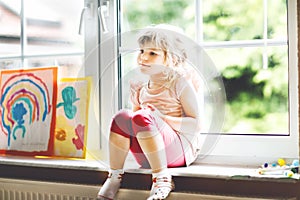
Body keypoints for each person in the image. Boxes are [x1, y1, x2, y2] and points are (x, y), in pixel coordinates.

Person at [97, 24, 201, 200]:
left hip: (178, 152)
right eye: (142, 51)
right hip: (149, 155)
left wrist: (162, 119)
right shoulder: (141, 86)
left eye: (153, 53)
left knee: (142, 117)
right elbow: (134, 123)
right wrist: (140, 109)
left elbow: (195, 124)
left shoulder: (179, 84)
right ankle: (114, 175)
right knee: (122, 116)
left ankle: (162, 179)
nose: (143, 57)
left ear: (171, 58)